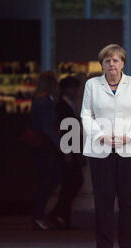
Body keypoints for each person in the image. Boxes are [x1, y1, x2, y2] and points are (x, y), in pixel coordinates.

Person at [81, 44, 131, 248]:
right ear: (102, 64)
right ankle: (105, 246)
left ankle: (127, 246)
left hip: (130, 149)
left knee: (128, 199)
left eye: (116, 60)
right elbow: (85, 114)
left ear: (123, 63)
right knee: (103, 198)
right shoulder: (92, 84)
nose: (111, 64)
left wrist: (129, 136)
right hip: (100, 149)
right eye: (107, 60)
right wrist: (100, 136)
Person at [48, 76, 85, 229]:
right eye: (72, 88)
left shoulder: (68, 106)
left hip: (72, 148)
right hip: (69, 149)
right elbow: (64, 130)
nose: (75, 91)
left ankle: (62, 217)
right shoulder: (63, 107)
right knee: (74, 181)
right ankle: (58, 213)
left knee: (70, 183)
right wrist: (66, 151)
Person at [31, 71, 61, 230]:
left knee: (47, 179)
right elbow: (47, 127)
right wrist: (59, 144)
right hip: (46, 145)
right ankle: (39, 214)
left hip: (43, 144)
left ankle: (40, 213)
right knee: (48, 179)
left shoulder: (40, 100)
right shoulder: (44, 102)